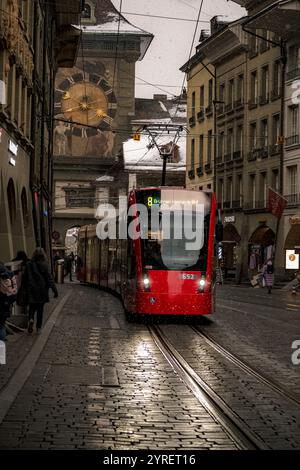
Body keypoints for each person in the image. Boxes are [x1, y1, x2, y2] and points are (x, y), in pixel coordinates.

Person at [22, 248, 58, 334]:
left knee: (31, 307)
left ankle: (31, 319)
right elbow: (49, 279)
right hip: (42, 290)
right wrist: (54, 290)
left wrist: (24, 288)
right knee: (40, 310)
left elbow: (24, 278)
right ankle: (38, 328)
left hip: (31, 289)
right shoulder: (44, 265)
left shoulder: (29, 264)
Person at [0, 262, 17, 341]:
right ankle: (2, 345)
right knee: (2, 325)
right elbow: (13, 293)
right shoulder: (9, 275)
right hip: (5, 304)